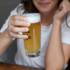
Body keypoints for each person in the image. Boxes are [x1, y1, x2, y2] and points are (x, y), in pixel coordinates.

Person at [0, 0, 70, 70]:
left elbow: (53, 68)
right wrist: (8, 34)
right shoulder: (22, 10)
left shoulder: (68, 18)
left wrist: (57, 21)